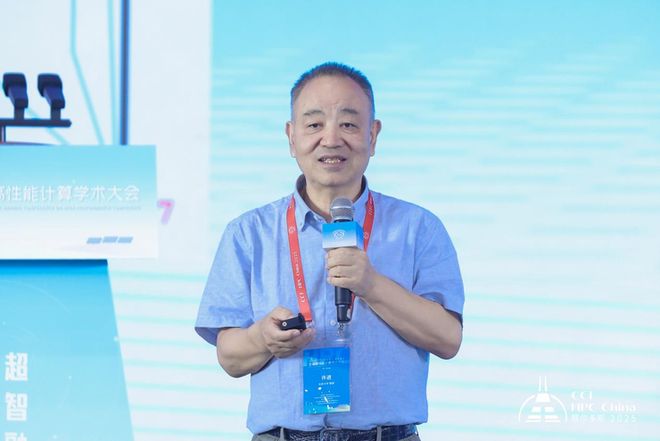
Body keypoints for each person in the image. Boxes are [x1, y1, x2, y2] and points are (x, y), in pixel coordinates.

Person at [195, 62, 464, 441]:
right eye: (314, 124)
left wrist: (371, 285)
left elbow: (448, 339)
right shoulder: (248, 233)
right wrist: (262, 339)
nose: (332, 139)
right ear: (291, 137)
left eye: (349, 124)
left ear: (373, 135)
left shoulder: (418, 227)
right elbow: (229, 358)